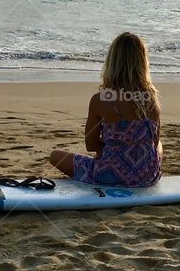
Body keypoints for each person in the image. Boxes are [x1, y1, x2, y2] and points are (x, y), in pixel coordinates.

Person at [49, 32, 162, 187]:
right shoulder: (151, 99)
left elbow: (91, 145)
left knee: (55, 156)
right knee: (160, 145)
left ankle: (112, 168)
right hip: (147, 176)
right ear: (143, 63)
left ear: (112, 62)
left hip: (109, 175)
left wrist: (111, 149)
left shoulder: (100, 99)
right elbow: (154, 142)